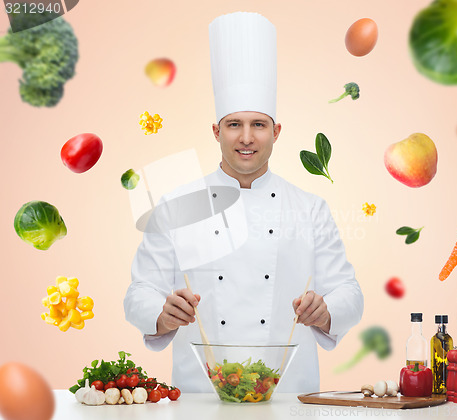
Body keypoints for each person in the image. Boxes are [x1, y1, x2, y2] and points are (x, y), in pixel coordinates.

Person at [124, 12, 363, 393]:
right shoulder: (176, 205)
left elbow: (349, 292)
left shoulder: (310, 208)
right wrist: (161, 314)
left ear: (276, 132)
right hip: (201, 398)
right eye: (234, 124)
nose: (246, 138)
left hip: (289, 397)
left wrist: (327, 310)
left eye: (259, 125)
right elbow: (139, 292)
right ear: (216, 131)